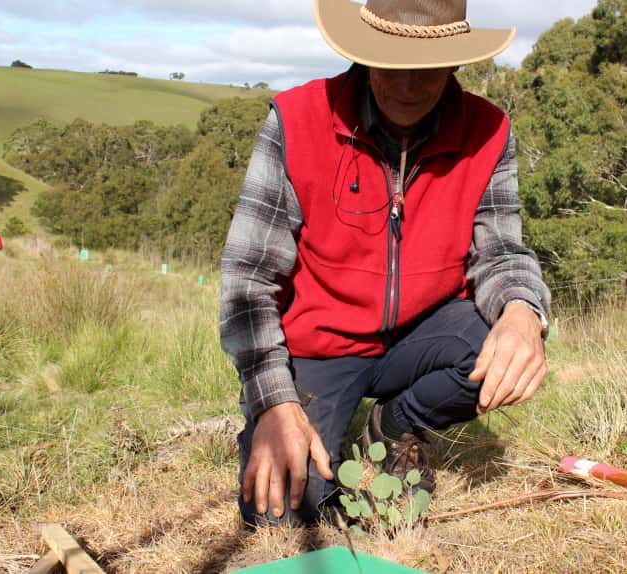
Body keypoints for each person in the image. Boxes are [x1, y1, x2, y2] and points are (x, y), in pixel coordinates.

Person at [220, 0, 550, 527]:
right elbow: (248, 280)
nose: (408, 86)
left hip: (428, 333)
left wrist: (522, 313)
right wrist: (272, 402)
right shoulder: (295, 121)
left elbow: (502, 251)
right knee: (279, 513)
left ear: (457, 61)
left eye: (429, 66)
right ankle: (316, 418)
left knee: (502, 338)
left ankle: (395, 421)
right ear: (363, 52)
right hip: (319, 345)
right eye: (391, 62)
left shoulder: (488, 131)